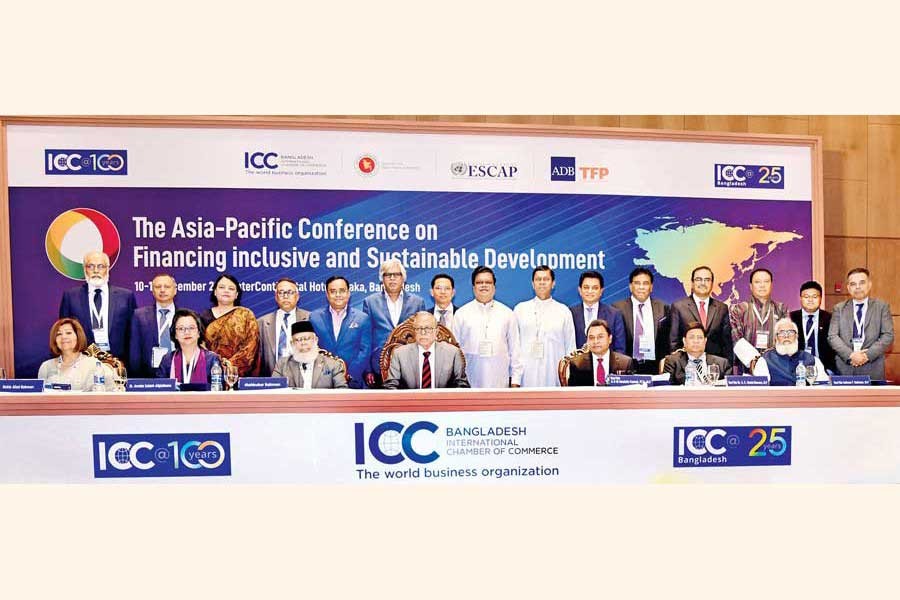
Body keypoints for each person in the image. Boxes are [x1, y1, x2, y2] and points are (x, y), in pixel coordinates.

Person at [58, 250, 136, 361]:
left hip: (117, 361)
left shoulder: (126, 296)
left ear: (108, 269)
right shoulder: (71, 296)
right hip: (82, 360)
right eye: (91, 266)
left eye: (100, 266)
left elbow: (132, 333)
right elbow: (64, 330)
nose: (95, 270)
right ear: (85, 269)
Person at [453, 266, 523, 388]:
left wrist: (515, 381)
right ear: (474, 288)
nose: (484, 285)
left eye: (488, 282)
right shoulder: (461, 314)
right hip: (469, 383)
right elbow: (455, 352)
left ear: (494, 287)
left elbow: (515, 351)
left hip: (500, 382)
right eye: (479, 282)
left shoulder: (507, 313)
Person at [362, 259, 427, 385]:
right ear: (382, 279)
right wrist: (367, 369)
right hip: (379, 367)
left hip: (410, 365)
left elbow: (423, 336)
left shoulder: (417, 302)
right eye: (387, 275)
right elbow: (366, 339)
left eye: (396, 274)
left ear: (403, 278)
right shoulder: (370, 302)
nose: (392, 278)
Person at [827, 267, 895, 380]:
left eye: (862, 283)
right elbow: (832, 336)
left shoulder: (881, 307)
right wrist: (851, 355)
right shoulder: (839, 308)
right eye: (853, 284)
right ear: (848, 288)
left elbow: (888, 335)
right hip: (845, 368)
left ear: (869, 285)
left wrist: (866, 356)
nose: (857, 287)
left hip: (873, 367)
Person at [513, 266, 576, 387]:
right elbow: (514, 348)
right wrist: (515, 379)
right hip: (526, 376)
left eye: (546, 279)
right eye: (538, 279)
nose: (542, 282)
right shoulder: (520, 309)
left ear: (553, 284)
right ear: (533, 284)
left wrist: (567, 379)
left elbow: (570, 348)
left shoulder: (563, 311)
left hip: (555, 377)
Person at [308, 275, 373, 389]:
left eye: (342, 291)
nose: (338, 295)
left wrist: (349, 374)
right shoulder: (314, 317)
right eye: (333, 291)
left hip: (352, 381)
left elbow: (365, 351)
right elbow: (312, 349)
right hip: (322, 381)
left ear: (348, 293)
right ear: (327, 295)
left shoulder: (362, 318)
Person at [383, 312, 469, 389]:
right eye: (419, 329)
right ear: (414, 331)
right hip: (410, 404)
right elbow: (391, 386)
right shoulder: (399, 354)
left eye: (427, 328)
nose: (423, 333)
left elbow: (461, 385)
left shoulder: (453, 353)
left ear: (436, 331)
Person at [199, 273, 260, 377]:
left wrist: (230, 366)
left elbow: (251, 347)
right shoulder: (203, 317)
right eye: (222, 287)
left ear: (236, 294)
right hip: (211, 374)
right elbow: (199, 347)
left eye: (231, 288)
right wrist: (216, 366)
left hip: (240, 375)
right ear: (215, 292)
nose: (226, 290)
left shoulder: (246, 315)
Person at [612, 267, 671, 375]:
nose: (641, 287)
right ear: (630, 286)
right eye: (637, 283)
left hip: (655, 366)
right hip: (628, 364)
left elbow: (669, 339)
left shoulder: (663, 308)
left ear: (651, 287)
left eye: (645, 283)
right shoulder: (617, 308)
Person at [669, 266, 733, 361]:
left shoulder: (722, 308)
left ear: (712, 284)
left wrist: (727, 367)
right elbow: (673, 341)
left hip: (714, 366)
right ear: (692, 283)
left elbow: (726, 343)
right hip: (686, 366)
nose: (703, 283)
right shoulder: (678, 306)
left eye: (707, 280)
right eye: (699, 279)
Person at [38, 318, 116, 391]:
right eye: (58, 334)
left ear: (78, 336)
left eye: (68, 333)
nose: (63, 337)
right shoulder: (46, 367)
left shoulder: (94, 365)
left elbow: (113, 391)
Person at [729, 268, 788, 361]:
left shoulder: (781, 309)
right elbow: (737, 339)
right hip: (746, 367)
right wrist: (756, 362)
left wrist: (771, 361)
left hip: (775, 365)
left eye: (766, 282)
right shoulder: (739, 309)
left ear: (771, 285)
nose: (762, 285)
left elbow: (786, 338)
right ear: (751, 286)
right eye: (757, 282)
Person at [256, 277, 311, 377]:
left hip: (303, 380)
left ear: (297, 296)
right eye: (281, 292)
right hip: (272, 381)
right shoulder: (262, 322)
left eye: (290, 292)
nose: (285, 296)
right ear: (276, 297)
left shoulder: (309, 319)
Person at [156, 309, 224, 387]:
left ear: (199, 332)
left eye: (191, 328)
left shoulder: (212, 359)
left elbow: (218, 391)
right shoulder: (167, 360)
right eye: (181, 328)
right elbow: (160, 390)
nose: (187, 332)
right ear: (175, 335)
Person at [128, 273, 179, 377]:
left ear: (175, 290)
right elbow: (135, 351)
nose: (162, 290)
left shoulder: (185, 315)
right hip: (148, 375)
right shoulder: (139, 315)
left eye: (167, 287)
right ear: (152, 290)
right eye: (158, 287)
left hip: (178, 371)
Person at [272, 321, 348, 389]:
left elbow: (342, 391)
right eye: (298, 340)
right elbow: (273, 391)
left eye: (307, 338)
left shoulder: (333, 365)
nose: (303, 343)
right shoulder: (282, 365)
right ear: (292, 344)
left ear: (316, 340)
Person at [753, 318, 828, 385]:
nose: (786, 336)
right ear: (776, 338)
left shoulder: (813, 360)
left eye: (791, 332)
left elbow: (824, 387)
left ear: (797, 336)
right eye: (782, 333)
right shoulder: (764, 360)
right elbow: (760, 391)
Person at [568, 271, 626, 352]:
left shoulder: (614, 315)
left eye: (595, 288)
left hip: (605, 364)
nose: (590, 291)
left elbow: (620, 349)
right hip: (577, 363)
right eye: (586, 287)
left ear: (601, 291)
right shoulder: (569, 313)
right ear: (580, 290)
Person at [567, 319, 634, 386]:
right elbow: (573, 394)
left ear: (610, 339)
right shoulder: (577, 364)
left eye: (600, 337)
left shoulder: (625, 364)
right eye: (591, 338)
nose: (596, 341)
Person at [790, 280, 837, 374]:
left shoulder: (830, 318)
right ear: (800, 298)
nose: (810, 300)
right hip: (797, 367)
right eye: (806, 296)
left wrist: (829, 369)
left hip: (824, 368)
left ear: (820, 299)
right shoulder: (791, 317)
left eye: (814, 297)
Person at [663, 321, 731, 385]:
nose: (696, 341)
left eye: (700, 338)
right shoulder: (673, 362)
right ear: (684, 341)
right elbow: (666, 389)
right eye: (692, 337)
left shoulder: (722, 364)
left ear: (705, 341)